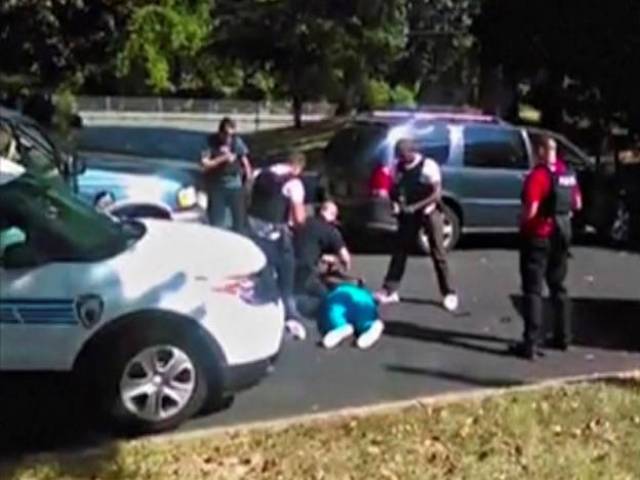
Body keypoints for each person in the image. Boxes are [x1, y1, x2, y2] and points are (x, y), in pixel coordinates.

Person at [513, 135, 582, 360]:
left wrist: (521, 221)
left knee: (532, 290)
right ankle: (564, 337)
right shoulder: (567, 174)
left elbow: (531, 209)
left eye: (535, 150)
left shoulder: (539, 176)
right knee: (558, 286)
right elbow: (577, 204)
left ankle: (530, 343)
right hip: (562, 235)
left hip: (538, 237)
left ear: (542, 150)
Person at [375, 139, 459, 312]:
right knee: (399, 251)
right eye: (398, 154)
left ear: (412, 152)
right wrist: (395, 204)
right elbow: (394, 189)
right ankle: (390, 289)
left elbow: (436, 194)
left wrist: (416, 207)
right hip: (408, 214)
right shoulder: (397, 167)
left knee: (438, 252)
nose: (400, 158)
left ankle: (449, 292)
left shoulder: (428, 166)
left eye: (403, 154)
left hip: (428, 211)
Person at [248, 152, 308, 339]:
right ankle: (289, 312)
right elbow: (298, 218)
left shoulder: (260, 173)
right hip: (276, 231)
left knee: (260, 267)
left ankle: (256, 304)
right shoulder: (293, 183)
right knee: (286, 268)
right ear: (297, 167)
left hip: (254, 226)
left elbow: (247, 196)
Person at [200, 117, 252, 233]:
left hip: (235, 184)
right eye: (226, 135)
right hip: (217, 185)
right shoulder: (210, 142)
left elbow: (246, 164)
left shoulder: (237, 142)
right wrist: (223, 158)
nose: (229, 138)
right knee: (217, 221)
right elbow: (205, 164)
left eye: (232, 135)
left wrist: (248, 183)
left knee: (239, 221)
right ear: (220, 133)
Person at [294, 201, 351, 299]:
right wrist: (345, 267)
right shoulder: (330, 231)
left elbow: (306, 246)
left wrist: (323, 258)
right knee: (327, 298)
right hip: (307, 273)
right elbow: (345, 257)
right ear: (333, 216)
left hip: (290, 268)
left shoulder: (305, 221)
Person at [318, 282, 384, 350]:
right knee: (364, 315)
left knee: (333, 312)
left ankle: (340, 328)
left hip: (340, 293)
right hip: (360, 297)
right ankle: (371, 325)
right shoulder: (364, 292)